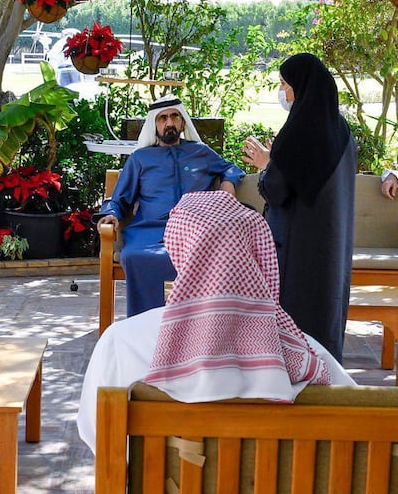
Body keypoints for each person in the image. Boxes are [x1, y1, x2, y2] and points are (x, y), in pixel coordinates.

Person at [78, 191, 354, 453]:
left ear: (181, 250)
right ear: (255, 253)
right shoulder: (309, 358)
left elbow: (99, 437)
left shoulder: (122, 344)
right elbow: (355, 434)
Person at [243, 53, 356, 362]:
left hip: (298, 244)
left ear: (301, 86)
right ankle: (328, 374)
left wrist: (267, 164)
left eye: (285, 84)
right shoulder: (342, 131)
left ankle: (295, 381)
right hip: (333, 244)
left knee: (297, 313)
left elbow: (276, 190)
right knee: (327, 308)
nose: (284, 92)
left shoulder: (297, 132)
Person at [94, 94, 245, 317]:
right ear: (154, 124)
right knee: (136, 256)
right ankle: (145, 326)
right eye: (162, 118)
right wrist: (110, 214)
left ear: (183, 122)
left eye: (175, 116)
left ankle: (200, 329)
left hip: (195, 231)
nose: (169, 122)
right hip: (150, 231)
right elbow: (119, 198)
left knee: (220, 255)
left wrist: (228, 184)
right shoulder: (141, 159)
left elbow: (230, 168)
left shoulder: (200, 153)